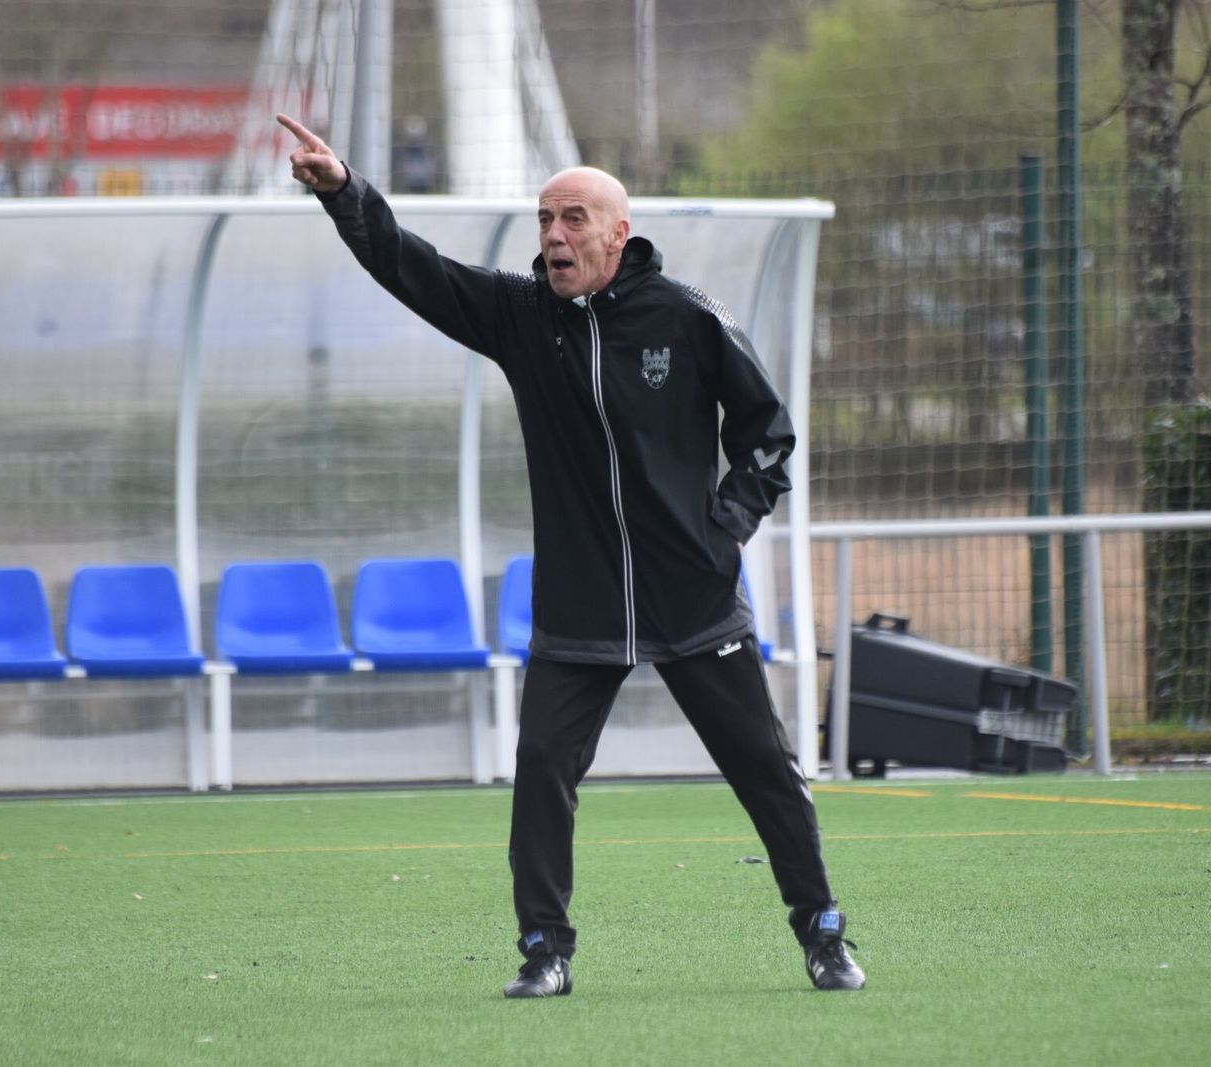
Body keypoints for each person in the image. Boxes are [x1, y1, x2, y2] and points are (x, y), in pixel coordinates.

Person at [276, 113, 865, 998]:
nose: (553, 236)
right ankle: (545, 951)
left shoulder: (686, 317)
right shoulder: (519, 317)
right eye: (545, 220)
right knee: (543, 774)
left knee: (765, 770)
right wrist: (344, 192)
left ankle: (822, 932)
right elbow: (411, 266)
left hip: (695, 600)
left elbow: (769, 437)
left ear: (618, 235)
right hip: (579, 605)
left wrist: (724, 529)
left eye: (573, 220)